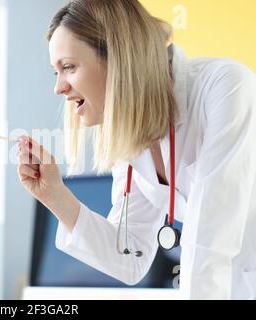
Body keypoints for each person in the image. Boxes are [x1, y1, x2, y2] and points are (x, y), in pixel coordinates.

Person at [17, 0, 256, 299]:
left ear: (118, 57)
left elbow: (210, 244)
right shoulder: (133, 133)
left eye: (69, 67)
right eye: (57, 72)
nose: (59, 87)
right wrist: (55, 195)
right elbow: (130, 256)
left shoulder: (226, 88)